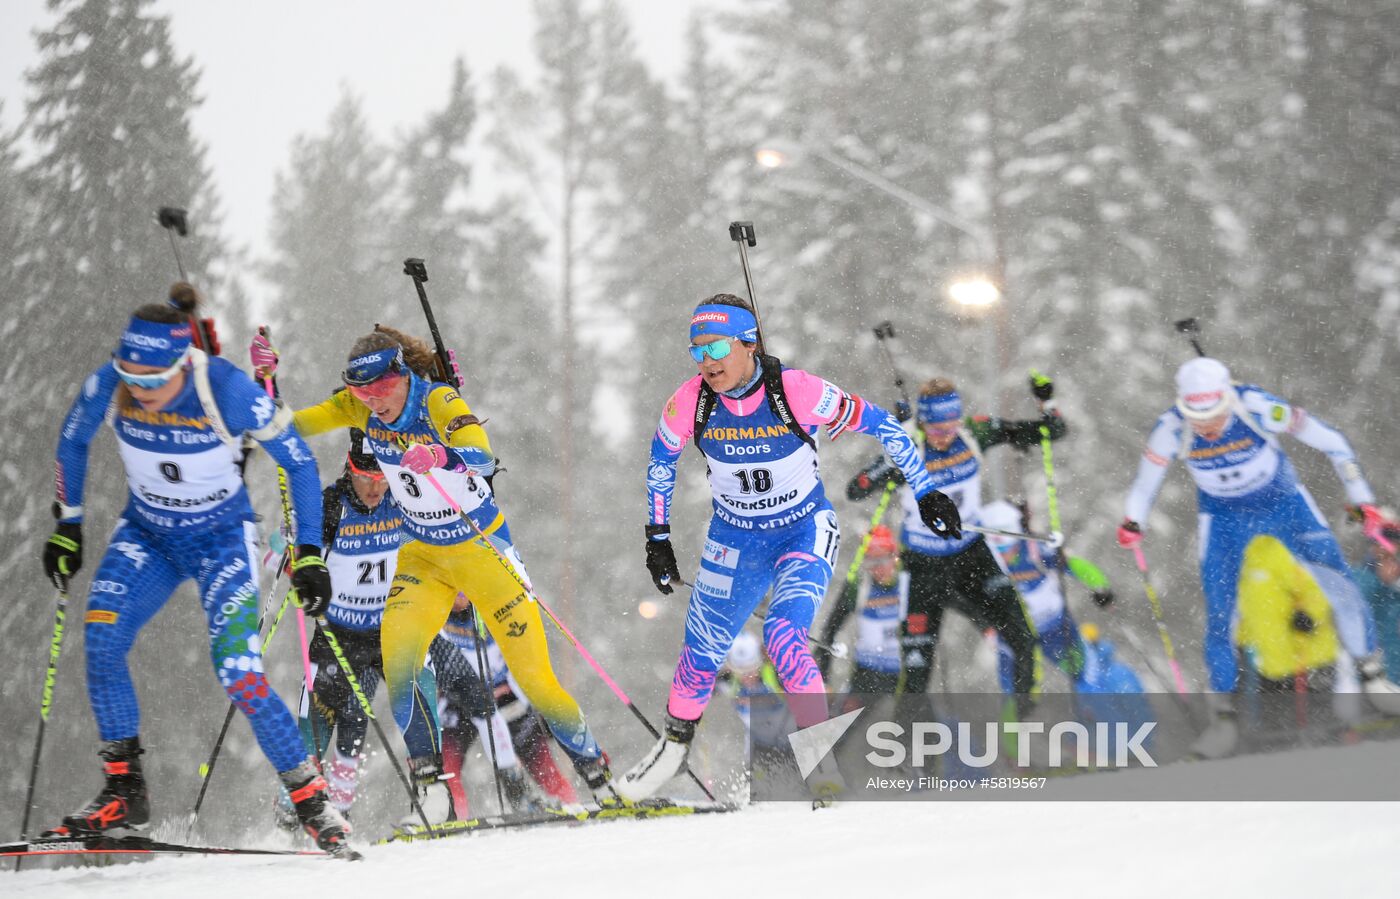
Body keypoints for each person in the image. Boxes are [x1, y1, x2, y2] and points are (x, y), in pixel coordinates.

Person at [253, 325, 610, 819]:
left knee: (536, 681)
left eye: (380, 389)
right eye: (361, 393)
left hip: (481, 549)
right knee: (401, 670)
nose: (373, 402)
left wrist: (441, 454)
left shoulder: (437, 400)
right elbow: (288, 426)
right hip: (422, 556)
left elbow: (482, 455)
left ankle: (598, 774)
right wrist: (263, 385)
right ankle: (432, 787)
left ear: (402, 375)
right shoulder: (361, 409)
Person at [42, 287, 349, 853]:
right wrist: (70, 522)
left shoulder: (226, 389)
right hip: (147, 536)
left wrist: (308, 552)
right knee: (101, 638)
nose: (139, 390)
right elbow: (72, 439)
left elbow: (300, 464)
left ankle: (309, 796)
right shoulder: (112, 383)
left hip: (220, 541)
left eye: (152, 381)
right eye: (129, 376)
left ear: (182, 364)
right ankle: (123, 788)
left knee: (238, 671)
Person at [619, 294, 960, 801]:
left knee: (783, 635)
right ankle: (671, 751)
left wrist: (926, 488)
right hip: (734, 538)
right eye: (697, 351)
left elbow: (885, 425)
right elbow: (659, 465)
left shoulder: (796, 391)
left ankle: (821, 765)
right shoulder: (688, 402)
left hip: (803, 529)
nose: (707, 361)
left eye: (717, 347)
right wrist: (657, 540)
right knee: (700, 653)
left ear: (748, 343)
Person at [1118, 356, 1400, 757]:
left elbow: (1333, 442)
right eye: (1196, 418)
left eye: (1214, 415)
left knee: (1341, 586)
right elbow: (1145, 486)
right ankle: (1223, 720)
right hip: (1224, 519)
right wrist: (1133, 521)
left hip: (1284, 504)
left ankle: (1373, 678)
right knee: (1220, 616)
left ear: (1227, 399)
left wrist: (1364, 502)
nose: (1207, 427)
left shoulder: (1256, 406)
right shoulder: (1170, 428)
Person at [272, 428, 460, 825]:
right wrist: (291, 563)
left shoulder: (403, 498)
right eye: (365, 477)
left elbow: (443, 530)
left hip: (394, 624)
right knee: (316, 722)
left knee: (415, 695)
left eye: (380, 479)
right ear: (349, 469)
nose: (374, 490)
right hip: (339, 630)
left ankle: (433, 795)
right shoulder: (328, 506)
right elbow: (287, 554)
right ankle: (296, 807)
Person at [846, 375, 1066, 714]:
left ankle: (1024, 720)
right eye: (936, 429)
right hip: (923, 568)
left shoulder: (974, 433)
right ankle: (904, 758)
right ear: (923, 423)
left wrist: (1046, 403)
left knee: (1022, 636)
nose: (945, 436)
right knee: (917, 674)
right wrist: (890, 461)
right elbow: (856, 489)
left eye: (951, 425)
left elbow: (1049, 431)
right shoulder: (909, 448)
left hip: (972, 558)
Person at [433, 605, 579, 816]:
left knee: (542, 765)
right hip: (459, 703)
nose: (460, 595)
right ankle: (452, 817)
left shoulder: (490, 604)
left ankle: (570, 807)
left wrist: (516, 687)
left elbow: (523, 649)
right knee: (447, 767)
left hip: (505, 699)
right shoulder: (437, 609)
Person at [814, 524, 907, 694]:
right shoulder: (858, 586)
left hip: (906, 670)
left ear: (895, 556)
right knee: (843, 718)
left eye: (882, 560)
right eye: (870, 561)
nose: (876, 568)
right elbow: (829, 632)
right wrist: (824, 679)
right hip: (867, 672)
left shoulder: (909, 581)